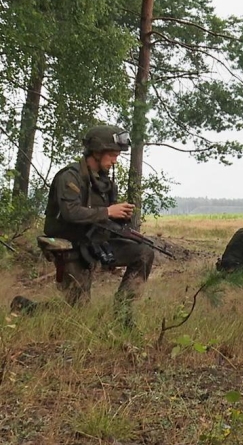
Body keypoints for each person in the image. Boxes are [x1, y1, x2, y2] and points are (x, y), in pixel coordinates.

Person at [10, 125, 154, 327]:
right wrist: (108, 212)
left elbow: (105, 216)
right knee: (76, 312)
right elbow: (71, 212)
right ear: (96, 151)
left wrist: (120, 219)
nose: (115, 161)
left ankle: (123, 314)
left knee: (144, 252)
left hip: (96, 241)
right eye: (112, 155)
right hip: (70, 245)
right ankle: (28, 309)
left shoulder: (105, 183)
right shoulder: (70, 176)